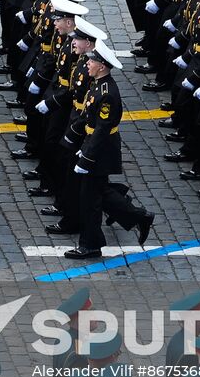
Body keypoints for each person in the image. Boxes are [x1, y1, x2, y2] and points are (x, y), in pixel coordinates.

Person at [67, 43, 156, 258]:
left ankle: (90, 245)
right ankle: (138, 217)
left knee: (90, 199)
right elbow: (89, 117)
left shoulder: (107, 94)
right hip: (93, 143)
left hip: (101, 149)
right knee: (98, 193)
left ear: (102, 66)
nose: (87, 63)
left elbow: (102, 130)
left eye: (92, 61)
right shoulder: (97, 84)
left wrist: (87, 156)